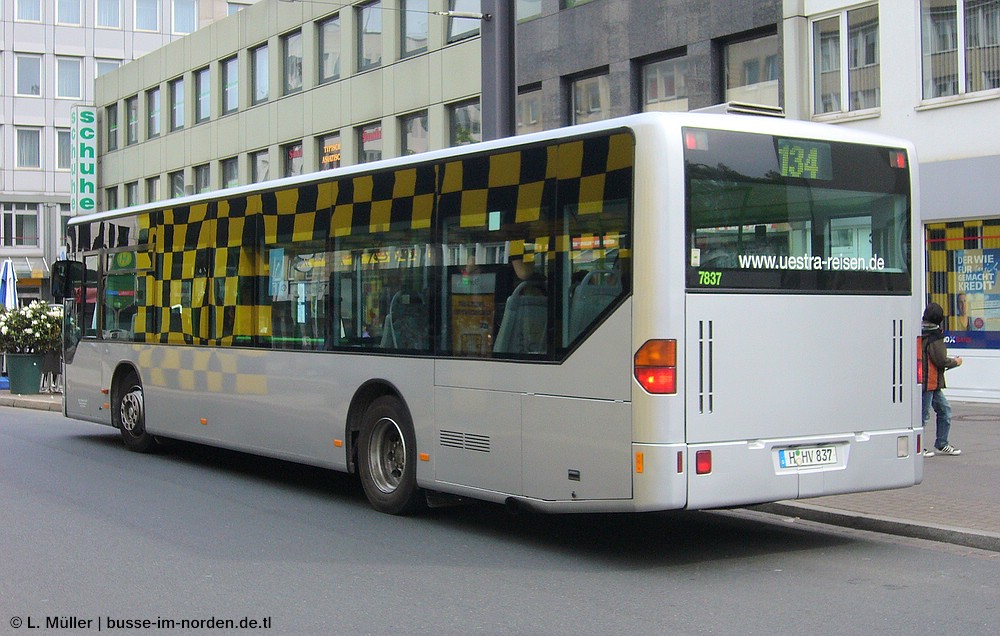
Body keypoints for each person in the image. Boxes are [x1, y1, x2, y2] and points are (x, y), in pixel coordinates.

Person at [921, 302, 963, 456]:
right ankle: (920, 446)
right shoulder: (935, 337)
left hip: (928, 381)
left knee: (943, 410)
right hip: (930, 380)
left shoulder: (919, 331)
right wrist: (956, 362)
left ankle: (941, 443)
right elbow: (940, 360)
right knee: (924, 415)